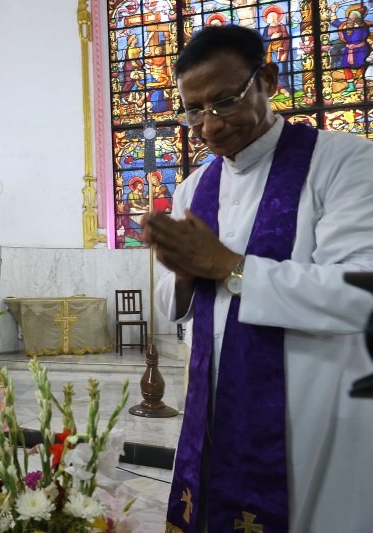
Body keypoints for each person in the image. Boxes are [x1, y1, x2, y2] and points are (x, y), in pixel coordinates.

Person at [141, 25, 373, 533]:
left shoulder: (345, 161)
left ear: (267, 79)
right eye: (193, 111)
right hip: (216, 407)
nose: (209, 126)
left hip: (310, 409)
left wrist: (227, 265)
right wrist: (183, 275)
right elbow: (173, 302)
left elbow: (360, 294)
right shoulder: (193, 188)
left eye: (224, 102)